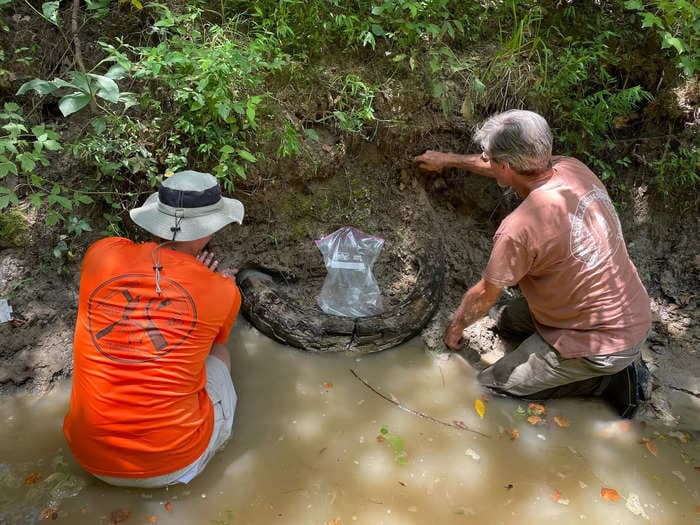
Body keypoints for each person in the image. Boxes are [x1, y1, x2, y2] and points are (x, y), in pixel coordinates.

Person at [414, 110, 651, 417]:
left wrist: (456, 327)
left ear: (505, 165)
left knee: (491, 385)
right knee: (509, 322)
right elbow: (502, 165)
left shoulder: (519, 229)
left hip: (599, 341)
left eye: (488, 157)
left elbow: (485, 295)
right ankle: (604, 361)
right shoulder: (571, 168)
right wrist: (448, 159)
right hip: (626, 309)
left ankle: (606, 382)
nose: (485, 160)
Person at [63, 170, 245, 487]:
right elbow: (209, 343)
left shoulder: (100, 254)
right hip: (175, 462)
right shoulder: (223, 291)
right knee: (219, 353)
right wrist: (202, 278)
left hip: (88, 457)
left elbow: (149, 263)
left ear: (155, 218)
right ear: (211, 228)